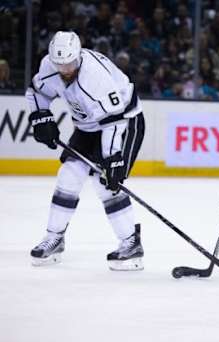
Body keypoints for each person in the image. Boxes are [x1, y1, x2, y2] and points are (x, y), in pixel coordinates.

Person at [25, 31, 145, 270]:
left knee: (107, 184)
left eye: (69, 63)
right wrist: (40, 116)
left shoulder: (95, 78)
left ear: (78, 55)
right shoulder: (50, 66)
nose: (65, 69)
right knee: (68, 176)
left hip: (123, 122)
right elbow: (37, 92)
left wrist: (113, 159)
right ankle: (54, 237)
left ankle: (130, 243)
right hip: (88, 126)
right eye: (60, 64)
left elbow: (114, 120)